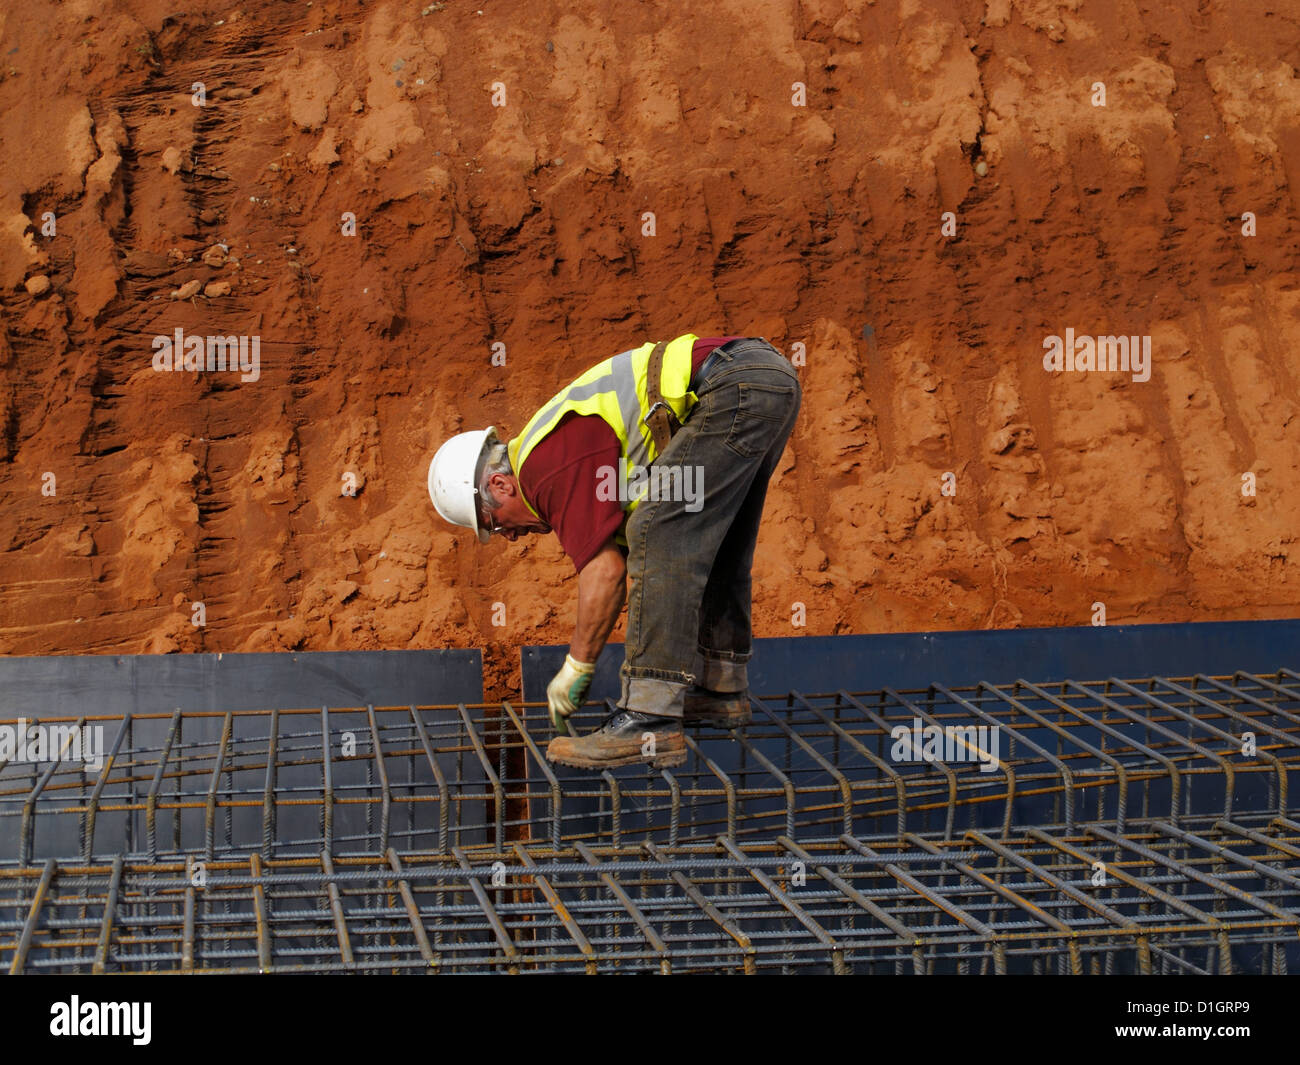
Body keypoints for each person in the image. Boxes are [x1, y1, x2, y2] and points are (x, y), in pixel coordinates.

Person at [427, 333, 801, 769]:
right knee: (708, 532)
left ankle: (649, 718)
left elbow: (605, 572)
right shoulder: (554, 453)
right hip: (761, 381)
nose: (507, 536)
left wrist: (576, 668)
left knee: (659, 528)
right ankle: (721, 689)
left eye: (493, 523)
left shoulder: (543, 467)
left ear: (499, 485)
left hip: (735, 384)